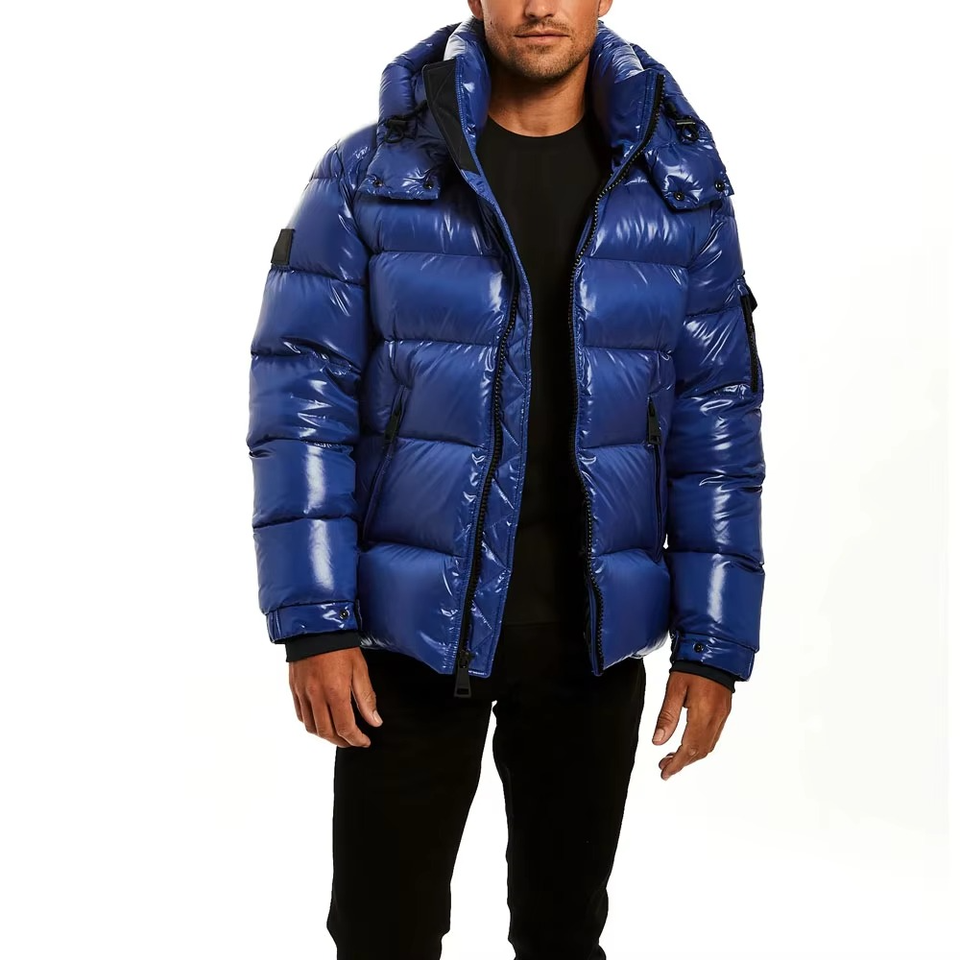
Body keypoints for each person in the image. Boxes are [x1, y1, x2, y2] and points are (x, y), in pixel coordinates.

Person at [246, 3, 765, 957]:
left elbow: (717, 419)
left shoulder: (677, 187)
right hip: (406, 638)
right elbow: (300, 401)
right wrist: (315, 621)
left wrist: (714, 644)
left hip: (592, 637)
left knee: (565, 936)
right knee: (381, 934)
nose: (539, 6)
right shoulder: (371, 174)